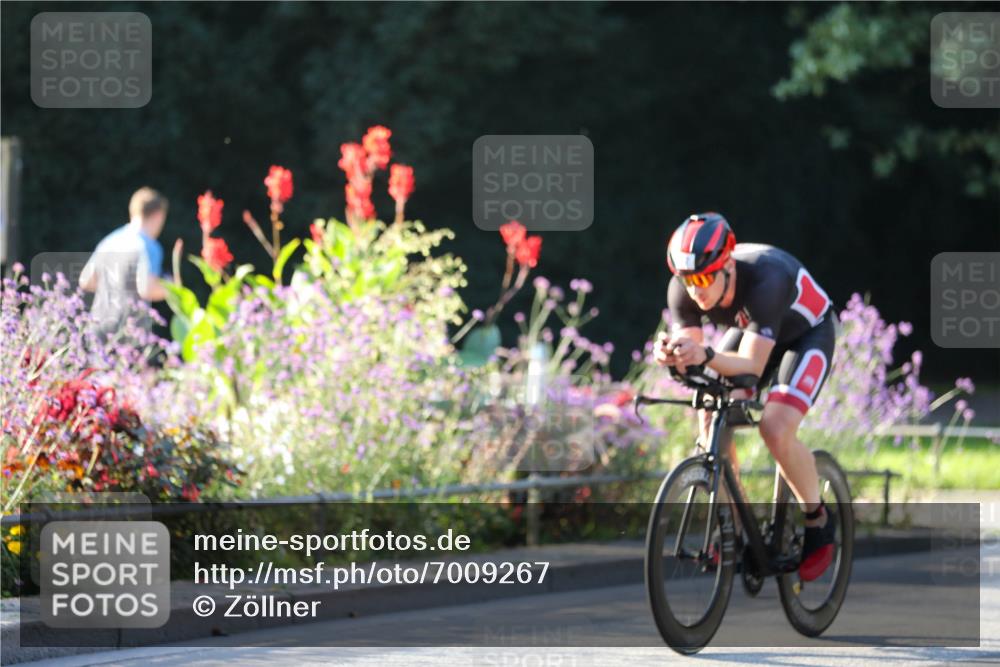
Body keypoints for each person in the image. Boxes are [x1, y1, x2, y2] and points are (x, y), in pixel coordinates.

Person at [653, 212, 838, 581]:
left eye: (704, 278)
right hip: (753, 329)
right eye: (688, 281)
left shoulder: (767, 279)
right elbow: (697, 356)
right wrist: (673, 356)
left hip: (805, 336)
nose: (696, 291)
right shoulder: (684, 290)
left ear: (728, 268)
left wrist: (704, 356)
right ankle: (732, 529)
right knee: (710, 416)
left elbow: (750, 363)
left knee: (775, 427)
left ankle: (818, 518)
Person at [79, 187, 169, 338]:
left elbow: (86, 281)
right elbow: (146, 289)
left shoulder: (109, 241)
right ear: (158, 216)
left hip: (97, 327)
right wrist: (172, 290)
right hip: (128, 335)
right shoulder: (148, 247)